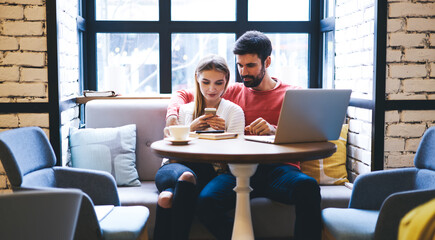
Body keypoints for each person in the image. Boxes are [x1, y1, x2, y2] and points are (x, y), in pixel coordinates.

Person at [166, 30, 321, 240]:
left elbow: (307, 135)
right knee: (206, 202)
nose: (243, 72)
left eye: (250, 65)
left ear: (267, 61)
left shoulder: (293, 94)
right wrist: (172, 116)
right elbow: (184, 93)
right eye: (239, 65)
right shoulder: (232, 91)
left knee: (308, 187)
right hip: (237, 170)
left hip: (280, 170)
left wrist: (275, 130)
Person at [153, 55, 245, 240]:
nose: (212, 89)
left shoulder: (233, 112)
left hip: (209, 171)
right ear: (197, 78)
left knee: (167, 198)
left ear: (226, 80)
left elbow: (237, 157)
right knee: (186, 176)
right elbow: (174, 154)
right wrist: (191, 129)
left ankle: (171, 197)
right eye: (206, 82)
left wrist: (225, 133)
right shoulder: (186, 110)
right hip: (173, 168)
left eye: (219, 83)